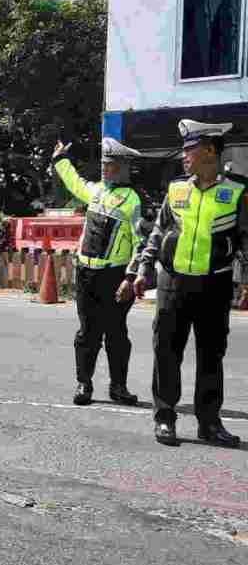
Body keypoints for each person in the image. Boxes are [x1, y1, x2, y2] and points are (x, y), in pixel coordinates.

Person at [134, 119, 248, 447]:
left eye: (190, 149)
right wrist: (143, 268)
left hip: (215, 285)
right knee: (166, 352)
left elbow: (246, 240)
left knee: (211, 355)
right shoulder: (176, 189)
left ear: (210, 151)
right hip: (173, 283)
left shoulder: (238, 191)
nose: (184, 156)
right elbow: (158, 232)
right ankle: (165, 418)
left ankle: (209, 423)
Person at [51, 137, 144, 406]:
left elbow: (141, 243)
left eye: (110, 164)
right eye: (103, 163)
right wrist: (61, 160)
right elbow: (74, 182)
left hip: (115, 277)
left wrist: (130, 278)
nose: (104, 168)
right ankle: (84, 383)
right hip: (86, 273)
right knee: (87, 333)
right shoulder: (96, 191)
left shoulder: (133, 201)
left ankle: (118, 387)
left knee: (116, 334)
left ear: (123, 167)